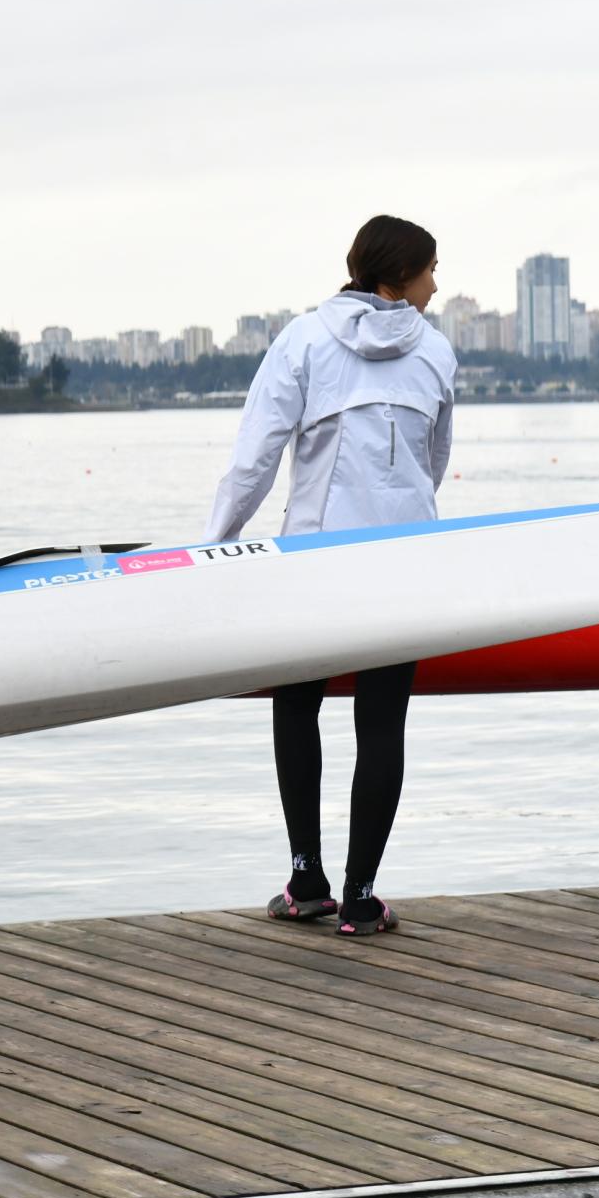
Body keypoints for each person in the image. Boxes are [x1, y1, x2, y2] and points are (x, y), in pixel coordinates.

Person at [207, 215, 455, 938]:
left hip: (315, 556)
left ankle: (307, 879)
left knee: (298, 706)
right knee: (381, 723)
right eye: (430, 270)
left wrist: (215, 547)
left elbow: (256, 457)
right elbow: (433, 462)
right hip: (402, 558)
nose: (436, 285)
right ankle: (362, 897)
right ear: (396, 277)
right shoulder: (435, 351)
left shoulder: (304, 338)